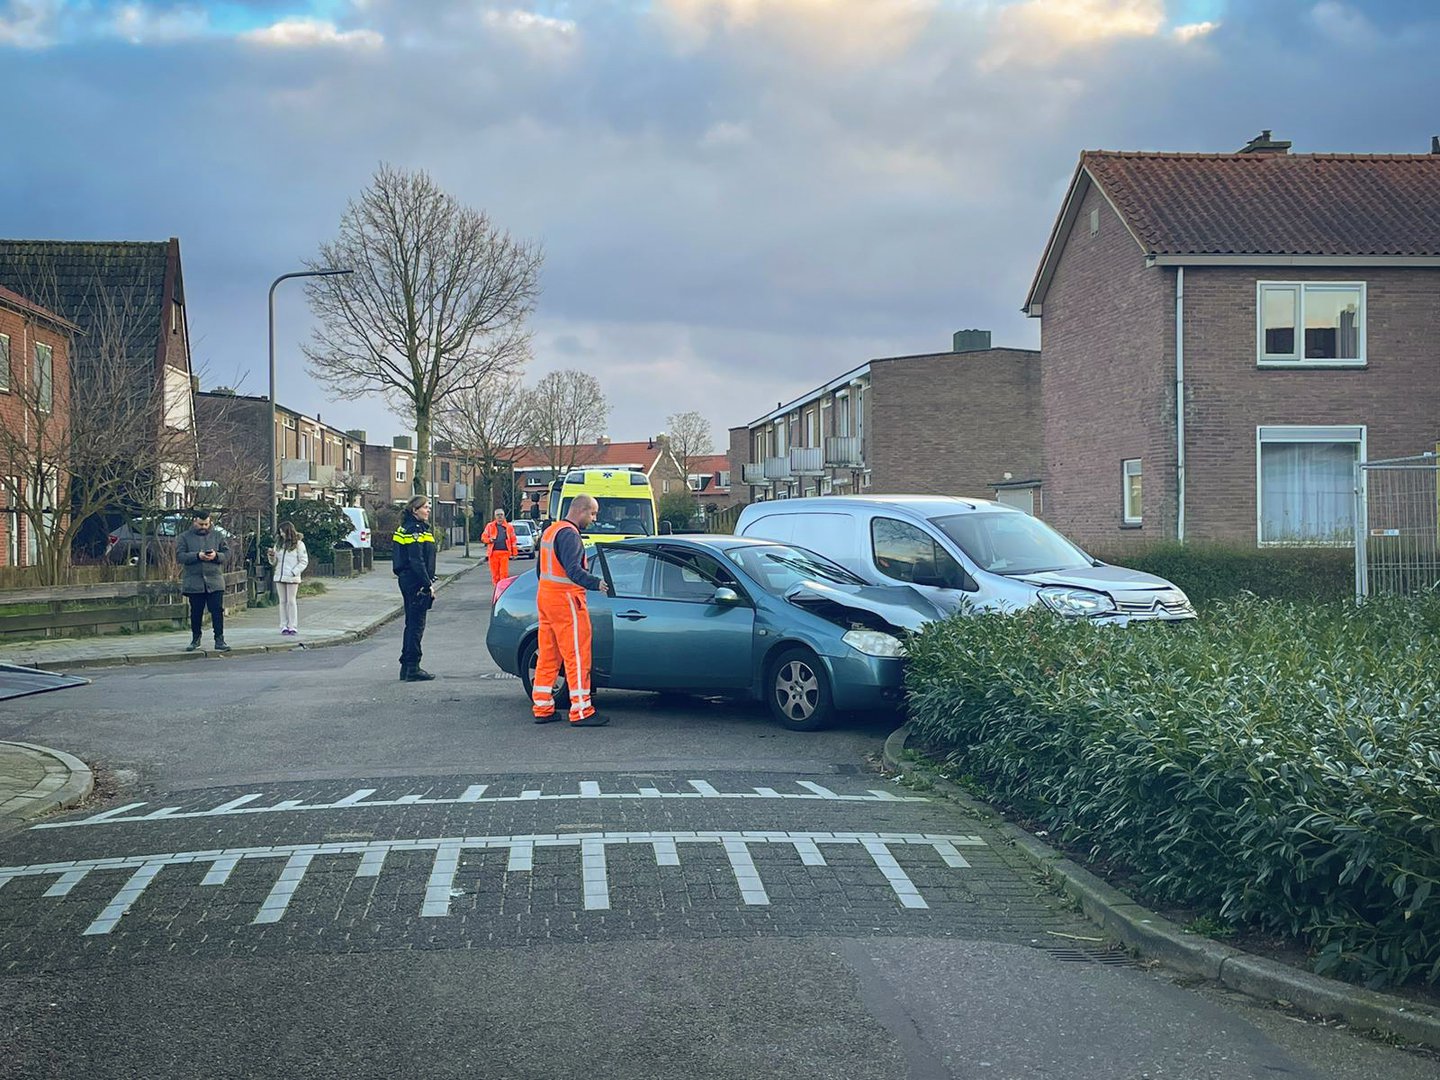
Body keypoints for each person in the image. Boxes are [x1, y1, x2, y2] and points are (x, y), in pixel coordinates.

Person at [533, 494, 610, 727]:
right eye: (593, 513)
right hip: (566, 600)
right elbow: (574, 571)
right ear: (581, 510)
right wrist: (597, 583)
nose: (594, 519)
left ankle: (542, 706)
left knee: (548, 655)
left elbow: (540, 570)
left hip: (546, 598)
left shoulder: (551, 530)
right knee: (577, 655)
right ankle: (581, 710)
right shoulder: (570, 535)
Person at [392, 495, 437, 682]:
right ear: (414, 510)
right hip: (415, 582)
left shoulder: (405, 529)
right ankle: (413, 667)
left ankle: (406, 666)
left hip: (407, 580)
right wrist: (427, 585)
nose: (428, 510)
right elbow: (416, 560)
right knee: (417, 625)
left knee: (411, 623)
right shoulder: (415, 531)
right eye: (425, 507)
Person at [176, 509, 231, 653]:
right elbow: (180, 556)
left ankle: (219, 639)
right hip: (195, 581)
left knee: (217, 610)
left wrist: (216, 556)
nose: (204, 527)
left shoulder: (217, 535)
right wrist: (197, 556)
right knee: (196, 612)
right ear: (194, 522)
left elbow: (227, 553)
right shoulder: (184, 537)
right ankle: (195, 639)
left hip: (214, 580)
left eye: (206, 524)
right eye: (201, 524)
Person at [267, 520, 309, 637]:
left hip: (291, 577)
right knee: (282, 601)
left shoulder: (299, 545)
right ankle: (283, 625)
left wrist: (293, 572)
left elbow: (304, 561)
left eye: (283, 532)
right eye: (280, 532)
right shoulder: (278, 545)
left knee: (291, 601)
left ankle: (293, 625)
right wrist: (271, 557)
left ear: (288, 531)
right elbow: (274, 562)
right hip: (280, 576)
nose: (281, 535)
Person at [481, 508, 517, 587]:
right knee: (495, 573)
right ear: (495, 516)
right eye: (498, 515)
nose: (500, 516)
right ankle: (496, 588)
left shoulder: (509, 527)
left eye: (501, 515)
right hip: (493, 553)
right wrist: (489, 540)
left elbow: (513, 540)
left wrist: (514, 553)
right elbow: (483, 538)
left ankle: (503, 588)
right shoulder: (490, 526)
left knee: (503, 573)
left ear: (504, 516)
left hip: (504, 553)